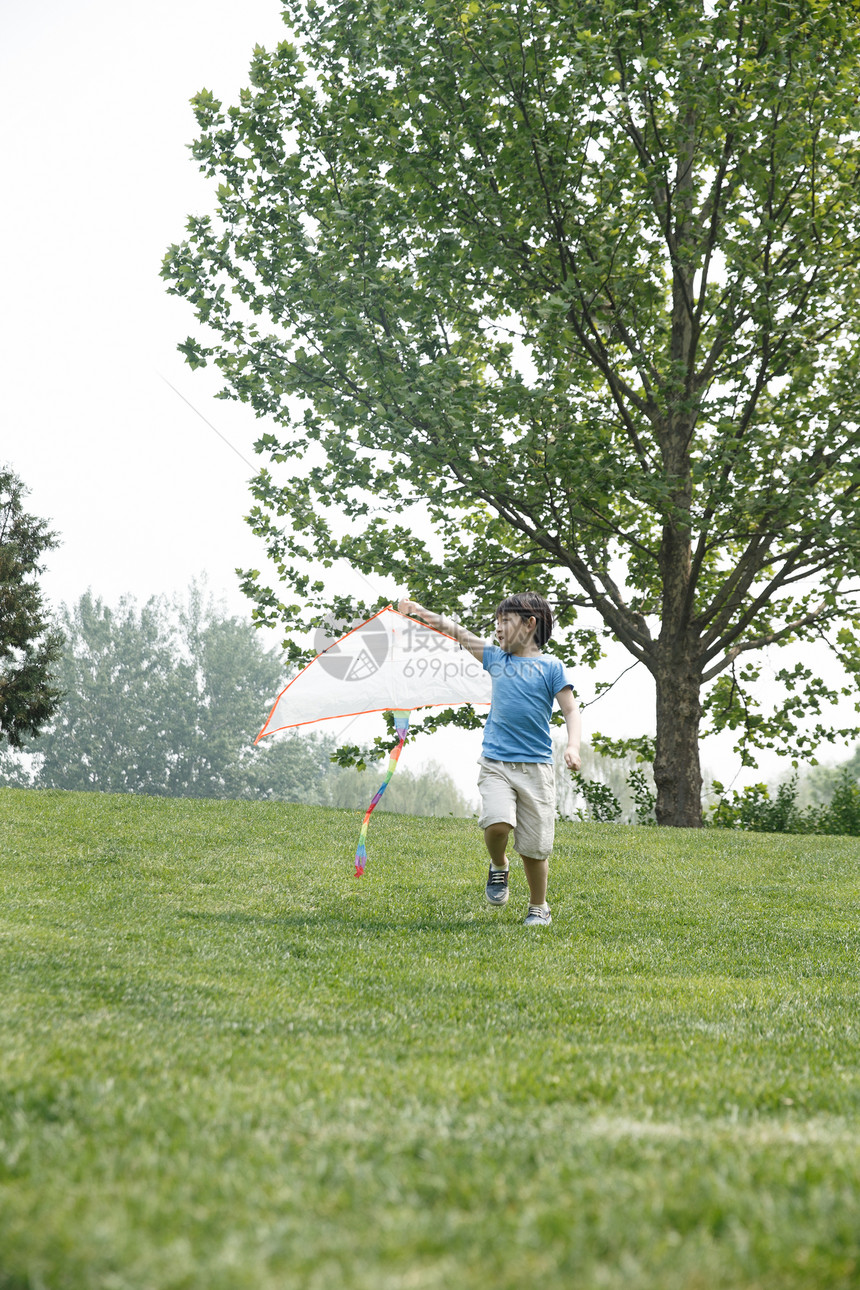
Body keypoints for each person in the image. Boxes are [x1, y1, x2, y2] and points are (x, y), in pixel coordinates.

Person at [397, 591, 581, 926]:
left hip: (536, 768)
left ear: (529, 625)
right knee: (497, 824)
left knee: (534, 848)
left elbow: (570, 710)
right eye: (495, 623)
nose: (497, 629)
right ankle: (499, 865)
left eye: (504, 622)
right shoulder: (497, 659)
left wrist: (573, 746)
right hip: (496, 762)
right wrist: (418, 610)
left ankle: (539, 906)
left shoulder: (552, 667)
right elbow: (457, 631)